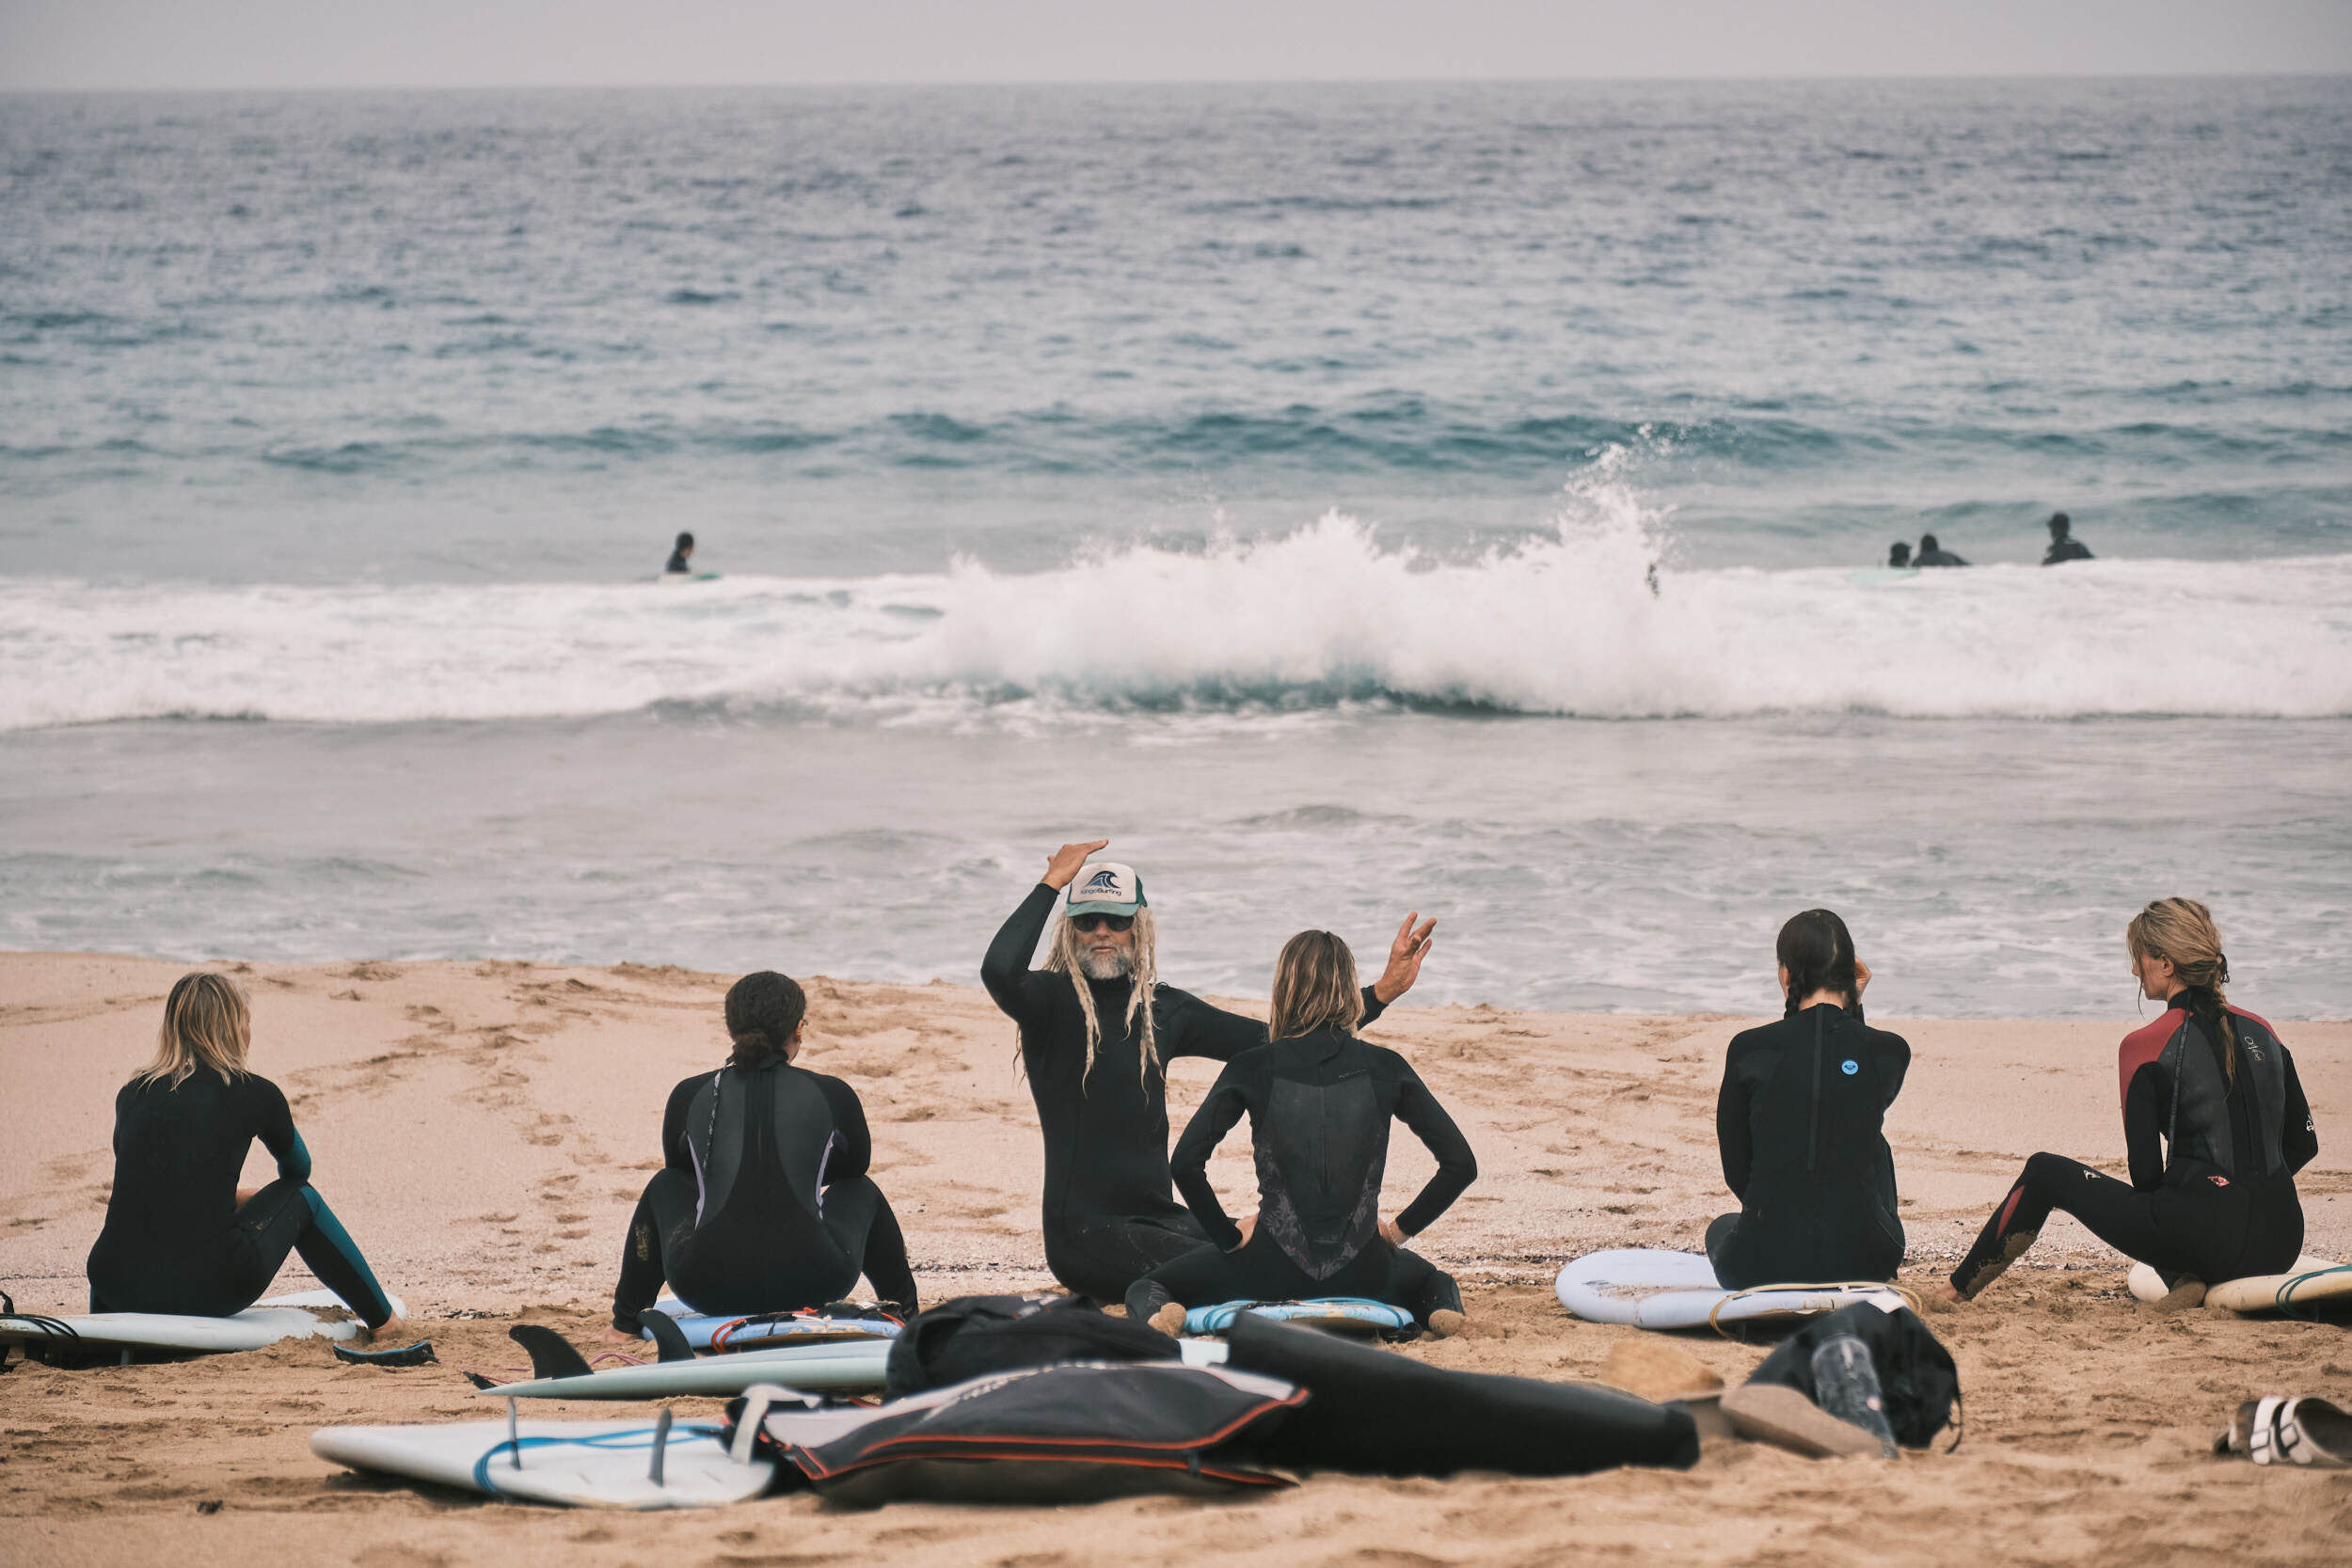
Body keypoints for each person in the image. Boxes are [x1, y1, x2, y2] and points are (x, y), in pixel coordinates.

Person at [981, 842, 1436, 1304]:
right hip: (1086, 1234)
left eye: (1117, 920)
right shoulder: (1048, 1003)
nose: (1103, 931)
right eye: (1087, 920)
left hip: (1164, 1219)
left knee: (1285, 1251)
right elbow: (998, 970)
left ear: (1138, 926)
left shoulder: (1164, 1010)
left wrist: (1380, 993)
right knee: (1249, 1268)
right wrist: (1052, 883)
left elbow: (1284, 1041)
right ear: (1069, 928)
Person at [1944, 899, 2317, 1306]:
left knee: (2044, 1171)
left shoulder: (2145, 1046)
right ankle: (2183, 1277)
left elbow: (2146, 1173)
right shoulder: (2264, 1031)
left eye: (2138, 958)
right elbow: (2304, 1143)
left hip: (2204, 1239)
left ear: (2166, 964)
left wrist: (2208, 1202)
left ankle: (1953, 1291)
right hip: (2281, 1239)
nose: (2135, 970)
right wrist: (2248, 1191)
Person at [1125, 929, 1477, 1337]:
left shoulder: (1251, 1066)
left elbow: (1186, 1164)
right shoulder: (1387, 1067)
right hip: (1367, 1273)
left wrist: (1227, 1237)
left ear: (1283, 989)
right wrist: (1397, 1232)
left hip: (1266, 1270)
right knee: (1434, 1281)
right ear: (1349, 990)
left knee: (1147, 1286)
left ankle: (1160, 1318)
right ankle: (1441, 1314)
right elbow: (1460, 1165)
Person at [86, 973, 407, 1340]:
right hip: (212, 1288)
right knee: (303, 1198)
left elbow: (147, 1182)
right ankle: (383, 1322)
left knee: (124, 1228)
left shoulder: (132, 1093)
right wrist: (257, 1200)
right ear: (234, 1029)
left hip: (115, 1285)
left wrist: (227, 1196)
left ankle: (98, 1338)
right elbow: (297, 1172)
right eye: (246, 1021)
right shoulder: (255, 1093)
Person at [606, 971, 917, 1339]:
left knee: (665, 1183)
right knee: (861, 1189)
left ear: (730, 1029)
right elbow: (854, 1167)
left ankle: (625, 1323)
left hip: (705, 1285)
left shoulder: (690, 1093)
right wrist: (796, 1172)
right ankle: (908, 1317)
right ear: (798, 1028)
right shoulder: (833, 1093)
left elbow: (685, 1173)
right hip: (818, 1280)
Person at [1706, 910, 1909, 1289]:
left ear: (1786, 975)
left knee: (1721, 1228)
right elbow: (1854, 1091)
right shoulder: (1891, 1052)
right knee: (1872, 1141)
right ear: (1850, 975)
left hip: (1758, 1263)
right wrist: (1854, 1007)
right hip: (1867, 1259)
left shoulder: (1749, 1049)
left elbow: (1736, 1168)